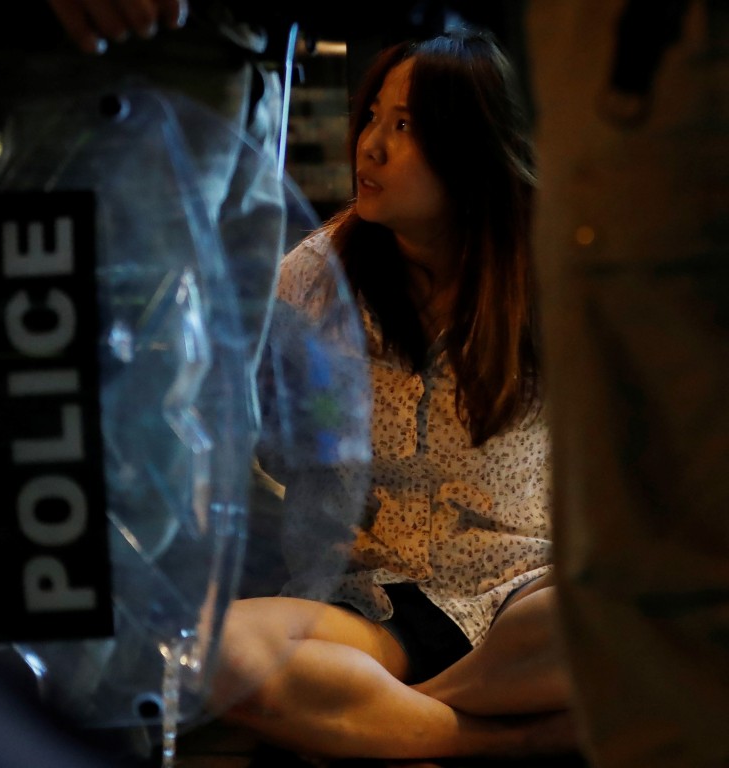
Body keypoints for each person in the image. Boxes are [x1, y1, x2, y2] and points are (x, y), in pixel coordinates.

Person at [207, 26, 579, 762]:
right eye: (371, 116)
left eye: (403, 126)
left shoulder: (550, 266)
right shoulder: (313, 278)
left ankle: (387, 725)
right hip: (373, 606)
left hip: (522, 595)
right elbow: (260, 448)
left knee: (600, 623)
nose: (369, 146)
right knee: (219, 650)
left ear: (469, 147)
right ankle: (508, 738)